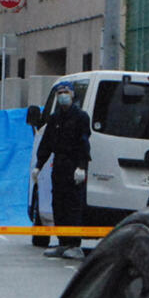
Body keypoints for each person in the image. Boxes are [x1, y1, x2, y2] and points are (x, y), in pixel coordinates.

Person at [31, 81, 91, 260]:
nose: (62, 95)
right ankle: (63, 242)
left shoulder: (81, 117)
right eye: (59, 93)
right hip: (58, 165)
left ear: (72, 94)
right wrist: (38, 165)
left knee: (73, 204)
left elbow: (84, 143)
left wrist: (82, 166)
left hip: (74, 165)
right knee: (59, 204)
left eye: (65, 92)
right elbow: (46, 143)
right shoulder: (55, 118)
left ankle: (74, 243)